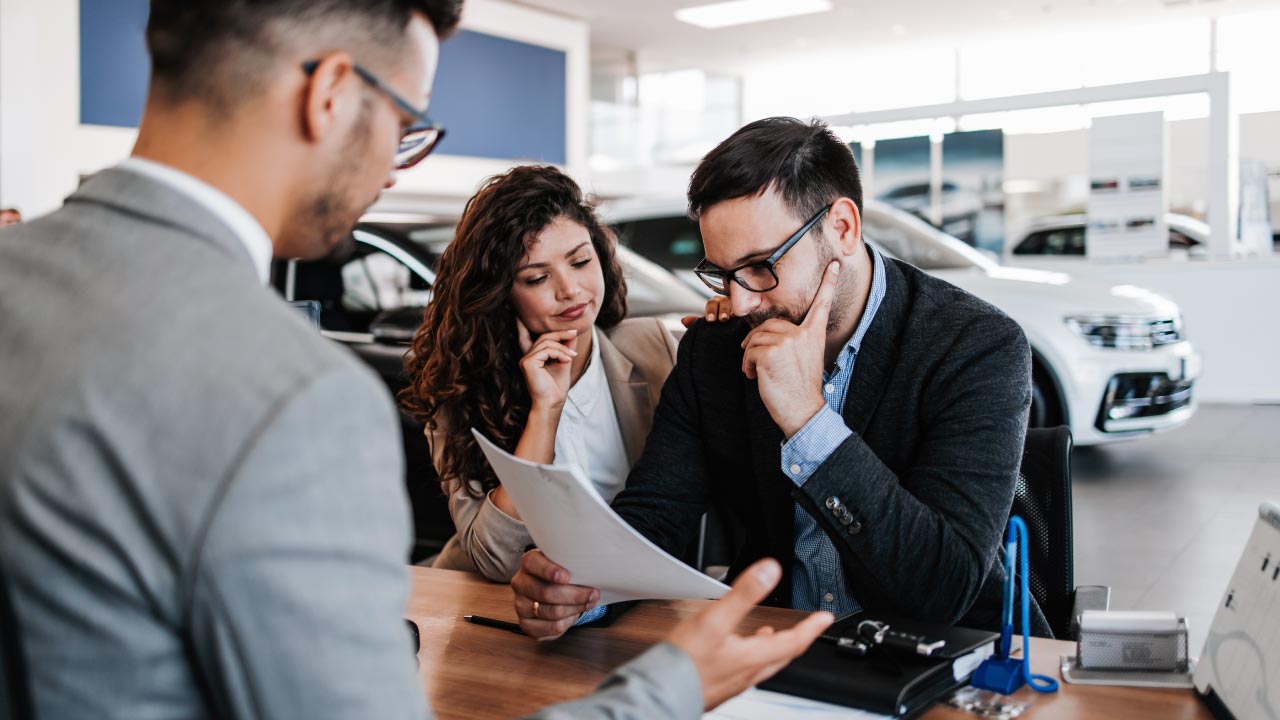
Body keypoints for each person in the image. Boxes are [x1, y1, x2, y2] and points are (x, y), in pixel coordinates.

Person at [0, 3, 831, 718]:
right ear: (328, 95)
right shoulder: (295, 397)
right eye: (405, 127)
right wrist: (675, 687)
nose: (396, 175)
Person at [510, 116, 1050, 641]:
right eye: (723, 273)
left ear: (841, 228)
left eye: (761, 265)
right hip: (777, 648)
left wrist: (807, 418)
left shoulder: (976, 345)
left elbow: (941, 586)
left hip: (951, 655)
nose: (740, 301)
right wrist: (580, 590)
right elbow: (656, 517)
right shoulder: (716, 349)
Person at [401, 165, 680, 582]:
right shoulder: (464, 388)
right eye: (537, 277)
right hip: (497, 608)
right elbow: (496, 560)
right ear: (502, 294)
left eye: (581, 261)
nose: (569, 289)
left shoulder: (653, 345)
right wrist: (544, 412)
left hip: (629, 598)